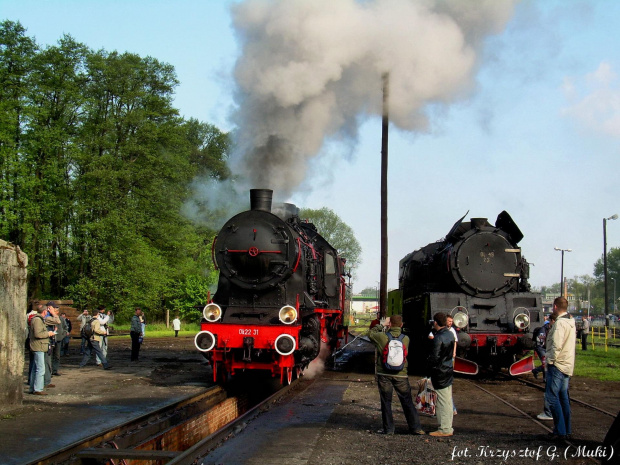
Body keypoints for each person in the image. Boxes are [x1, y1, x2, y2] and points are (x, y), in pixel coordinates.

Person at [368, 315, 425, 436]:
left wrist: (381, 325)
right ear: (401, 325)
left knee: (386, 402)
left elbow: (371, 333)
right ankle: (416, 428)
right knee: (407, 401)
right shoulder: (406, 339)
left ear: (389, 324)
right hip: (401, 374)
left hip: (384, 374)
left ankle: (389, 429)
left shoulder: (381, 337)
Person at [544, 297, 575, 440]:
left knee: (551, 397)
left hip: (557, 365)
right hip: (567, 364)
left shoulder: (560, 324)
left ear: (555, 307)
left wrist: (549, 361)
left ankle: (560, 431)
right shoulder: (571, 321)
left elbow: (556, 345)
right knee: (563, 398)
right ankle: (566, 429)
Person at [427, 312, 455, 437]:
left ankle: (444, 429)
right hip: (448, 369)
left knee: (442, 401)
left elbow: (434, 357)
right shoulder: (450, 334)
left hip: (440, 371)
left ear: (436, 322)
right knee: (447, 400)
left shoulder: (438, 338)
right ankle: (448, 426)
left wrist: (429, 368)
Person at [29, 304, 55, 395]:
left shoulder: (37, 319)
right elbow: (38, 334)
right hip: (38, 346)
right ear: (45, 311)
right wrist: (49, 334)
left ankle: (33, 388)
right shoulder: (37, 320)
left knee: (35, 368)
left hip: (38, 346)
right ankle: (38, 389)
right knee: (40, 369)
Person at [536, 313, 557, 421]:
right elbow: (540, 342)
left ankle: (549, 412)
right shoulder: (544, 329)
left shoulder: (557, 328)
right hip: (546, 352)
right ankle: (549, 412)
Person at [43, 302, 61, 388]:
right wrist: (53, 313)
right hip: (46, 342)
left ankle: (46, 379)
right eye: (53, 308)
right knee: (47, 362)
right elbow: (58, 321)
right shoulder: (47, 317)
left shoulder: (47, 317)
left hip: (48, 341)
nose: (54, 310)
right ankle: (46, 381)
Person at [49, 304, 68, 375]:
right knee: (49, 355)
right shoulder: (49, 318)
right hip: (51, 339)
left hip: (59, 339)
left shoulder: (61, 319)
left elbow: (66, 328)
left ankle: (55, 370)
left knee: (57, 356)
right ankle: (49, 371)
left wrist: (63, 335)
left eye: (56, 311)